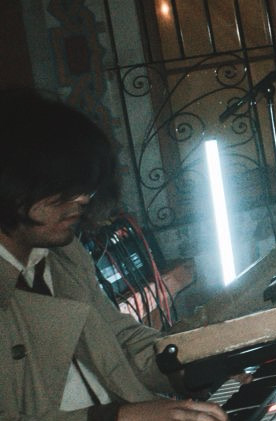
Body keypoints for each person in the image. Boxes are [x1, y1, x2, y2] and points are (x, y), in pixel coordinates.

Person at [0, 86, 229, 421]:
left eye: (83, 185)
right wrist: (124, 417)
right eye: (60, 185)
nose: (82, 198)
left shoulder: (64, 256)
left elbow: (120, 340)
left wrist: (202, 365)